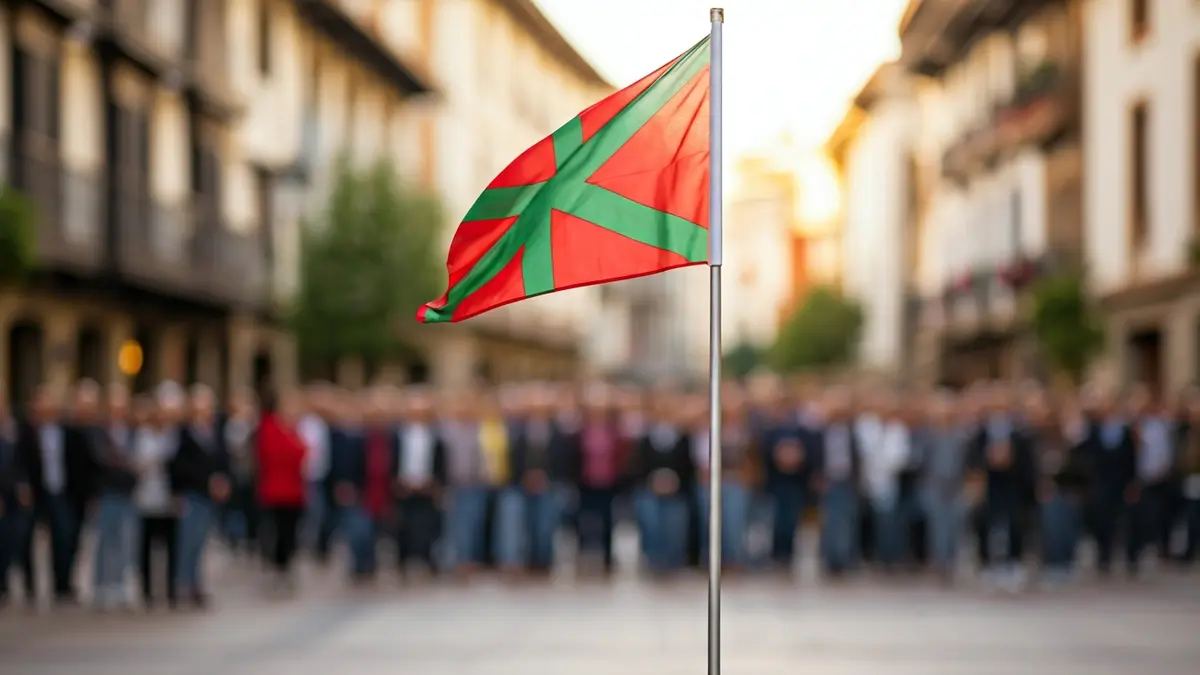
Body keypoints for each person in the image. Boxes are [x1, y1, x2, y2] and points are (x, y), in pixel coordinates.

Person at [169, 384, 230, 608]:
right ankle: (181, 585)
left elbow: (224, 459)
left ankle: (196, 584)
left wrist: (223, 479)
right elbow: (178, 465)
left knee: (202, 543)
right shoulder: (184, 432)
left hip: (209, 495)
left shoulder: (215, 431)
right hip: (191, 493)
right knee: (187, 541)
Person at [91, 384, 139, 611]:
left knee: (125, 541)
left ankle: (119, 584)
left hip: (127, 493)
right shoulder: (100, 432)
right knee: (105, 540)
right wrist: (125, 464)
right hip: (107, 492)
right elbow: (101, 461)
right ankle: (101, 585)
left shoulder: (132, 430)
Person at [256, 389, 308, 593]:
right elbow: (280, 454)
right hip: (274, 490)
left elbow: (303, 453)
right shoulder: (270, 427)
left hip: (294, 491)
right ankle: (274, 567)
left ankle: (286, 568)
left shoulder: (294, 429)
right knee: (274, 531)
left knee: (290, 532)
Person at [134, 388, 180, 609]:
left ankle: (171, 590)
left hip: (168, 498)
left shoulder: (173, 436)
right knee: (146, 547)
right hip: (146, 498)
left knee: (170, 546)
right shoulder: (142, 435)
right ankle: (147, 591)